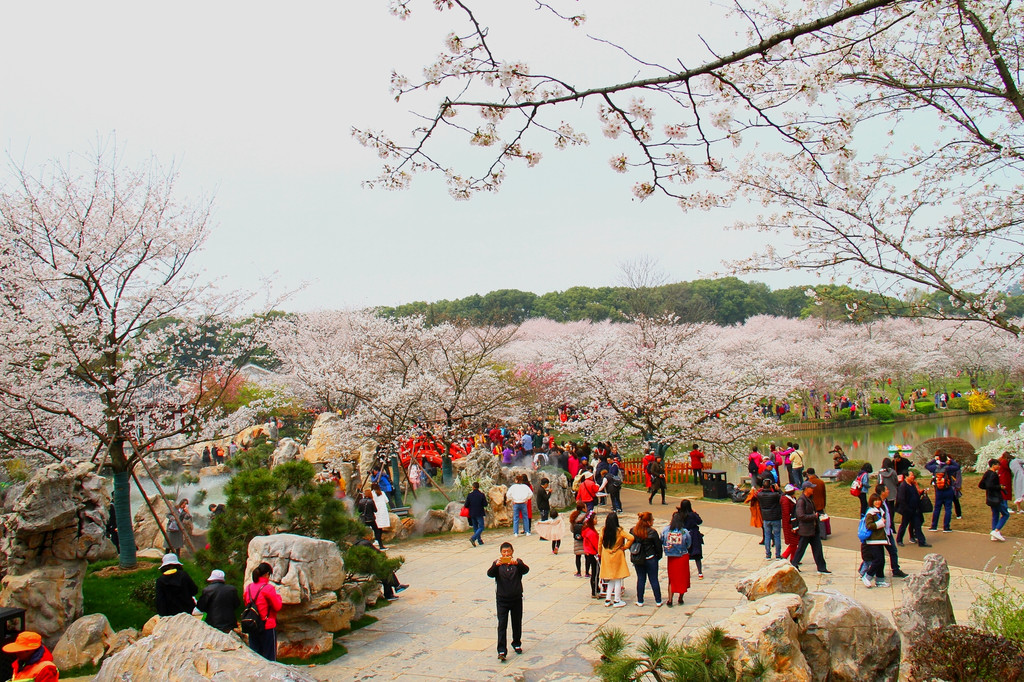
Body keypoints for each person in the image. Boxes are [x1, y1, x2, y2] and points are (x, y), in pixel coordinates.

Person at [486, 542, 530, 661]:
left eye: (508, 552)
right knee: (502, 624)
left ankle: (516, 643)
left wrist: (518, 564)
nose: (506, 554)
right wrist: (496, 565)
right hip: (502, 599)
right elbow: (489, 574)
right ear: (501, 553)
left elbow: (526, 570)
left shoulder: (517, 563)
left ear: (512, 552)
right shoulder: (498, 565)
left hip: (516, 598)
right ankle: (501, 650)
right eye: (504, 552)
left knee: (516, 622)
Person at [245, 562, 283, 661]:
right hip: (267, 626)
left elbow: (247, 603)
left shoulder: (248, 587)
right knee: (270, 658)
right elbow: (277, 606)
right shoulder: (268, 588)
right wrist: (278, 597)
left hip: (252, 625)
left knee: (256, 657)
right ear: (266, 574)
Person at [790, 482, 831, 574]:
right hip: (806, 530)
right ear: (806, 489)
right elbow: (801, 516)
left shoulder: (809, 499)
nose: (813, 489)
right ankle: (794, 564)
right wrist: (813, 516)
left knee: (818, 549)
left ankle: (821, 568)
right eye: (811, 488)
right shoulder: (801, 501)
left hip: (814, 529)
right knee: (801, 549)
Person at [599, 512, 634, 607]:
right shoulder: (619, 531)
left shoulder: (603, 530)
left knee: (611, 578)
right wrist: (625, 547)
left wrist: (599, 553)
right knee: (618, 578)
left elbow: (600, 543)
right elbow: (631, 538)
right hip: (617, 554)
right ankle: (617, 600)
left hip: (606, 554)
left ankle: (608, 599)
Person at [872, 484, 907, 578]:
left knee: (893, 551)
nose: (888, 491)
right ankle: (868, 572)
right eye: (886, 489)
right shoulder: (878, 504)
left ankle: (895, 569)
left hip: (888, 531)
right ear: (882, 492)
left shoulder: (885, 502)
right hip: (881, 533)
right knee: (879, 556)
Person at [630, 511, 663, 607]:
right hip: (650, 558)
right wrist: (658, 557)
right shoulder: (652, 532)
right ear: (648, 521)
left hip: (638, 558)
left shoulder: (633, 531)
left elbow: (630, 544)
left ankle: (640, 600)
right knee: (654, 579)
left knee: (641, 579)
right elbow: (658, 546)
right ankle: (658, 600)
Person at [660, 511, 691, 607]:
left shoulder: (666, 530)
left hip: (671, 557)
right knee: (683, 578)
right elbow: (689, 544)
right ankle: (680, 598)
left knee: (672, 578)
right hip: (682, 556)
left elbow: (662, 540)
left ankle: (670, 599)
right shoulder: (684, 532)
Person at [925, 452, 960, 532]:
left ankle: (934, 526)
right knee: (948, 508)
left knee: (937, 508)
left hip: (938, 490)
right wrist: (950, 460)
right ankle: (946, 527)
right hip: (948, 489)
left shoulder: (935, 467)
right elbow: (957, 466)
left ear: (939, 459)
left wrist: (934, 459)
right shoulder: (948, 468)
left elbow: (927, 466)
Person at [198, 569, 241, 633]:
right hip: (230, 623)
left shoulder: (207, 590)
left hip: (213, 623)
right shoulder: (232, 590)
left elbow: (201, 607)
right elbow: (237, 604)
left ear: (212, 580)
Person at [861, 493, 890, 588]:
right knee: (878, 560)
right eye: (875, 500)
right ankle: (867, 576)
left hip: (880, 540)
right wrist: (880, 523)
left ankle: (880, 580)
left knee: (882, 561)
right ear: (872, 502)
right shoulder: (871, 512)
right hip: (873, 541)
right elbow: (869, 525)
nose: (878, 502)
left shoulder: (880, 511)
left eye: (879, 500)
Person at [895, 471, 930, 547]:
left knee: (917, 525)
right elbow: (901, 499)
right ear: (906, 476)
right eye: (911, 475)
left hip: (915, 509)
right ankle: (899, 539)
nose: (913, 477)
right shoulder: (903, 486)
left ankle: (922, 541)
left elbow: (916, 495)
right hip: (907, 510)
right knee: (904, 525)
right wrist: (907, 509)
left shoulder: (912, 485)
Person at [980, 458, 1010, 541]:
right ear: (994, 465)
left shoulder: (987, 473)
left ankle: (994, 533)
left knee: (995, 514)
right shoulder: (994, 475)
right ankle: (996, 530)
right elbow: (990, 485)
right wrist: (999, 487)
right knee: (1005, 514)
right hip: (996, 497)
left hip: (990, 497)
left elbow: (981, 485)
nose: (999, 466)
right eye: (998, 465)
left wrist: (989, 488)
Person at [677, 499, 704, 579]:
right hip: (694, 534)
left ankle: (684, 572)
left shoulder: (678, 515)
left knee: (684, 554)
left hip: (683, 534)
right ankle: (700, 573)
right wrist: (695, 513)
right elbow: (699, 521)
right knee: (697, 554)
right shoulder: (692, 515)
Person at [757, 478, 783, 560]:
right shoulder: (775, 495)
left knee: (767, 536)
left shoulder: (760, 495)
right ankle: (778, 554)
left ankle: (768, 554)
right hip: (775, 517)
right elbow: (783, 496)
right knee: (777, 536)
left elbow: (757, 493)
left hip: (766, 517)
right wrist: (778, 490)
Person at [581, 511, 602, 599]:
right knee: (596, 573)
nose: (597, 520)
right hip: (593, 554)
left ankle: (596, 588)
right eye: (595, 518)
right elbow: (596, 545)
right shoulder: (591, 533)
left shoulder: (587, 530)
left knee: (594, 572)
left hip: (589, 553)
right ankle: (595, 591)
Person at [780, 484, 800, 560]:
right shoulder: (785, 501)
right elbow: (787, 514)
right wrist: (792, 525)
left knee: (794, 542)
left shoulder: (792, 499)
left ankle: (793, 558)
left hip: (794, 523)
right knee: (793, 542)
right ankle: (785, 555)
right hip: (790, 525)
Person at [465, 481, 488, 547]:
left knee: (475, 527)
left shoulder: (470, 495)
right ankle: (473, 538)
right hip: (479, 513)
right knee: (481, 527)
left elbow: (466, 505)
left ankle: (479, 541)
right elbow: (485, 504)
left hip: (472, 513)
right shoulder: (481, 495)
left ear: (473, 487)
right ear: (478, 487)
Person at [370, 482, 392, 549]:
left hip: (376, 510)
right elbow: (386, 501)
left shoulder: (372, 494)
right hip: (382, 510)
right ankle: (378, 540)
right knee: (380, 527)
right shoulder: (382, 493)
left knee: (376, 526)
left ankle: (377, 540)